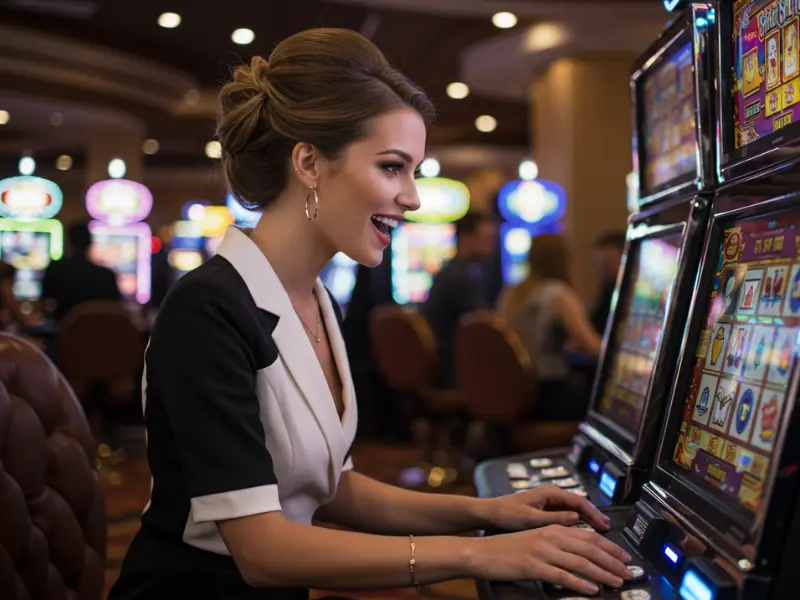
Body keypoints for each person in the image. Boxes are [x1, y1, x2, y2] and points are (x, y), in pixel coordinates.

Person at [108, 29, 632, 600]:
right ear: (308, 162)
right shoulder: (208, 309)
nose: (413, 197)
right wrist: (479, 552)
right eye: (392, 167)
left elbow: (335, 491)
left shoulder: (314, 299)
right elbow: (261, 550)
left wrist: (491, 511)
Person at [498, 234, 602, 420]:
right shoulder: (557, 293)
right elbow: (594, 348)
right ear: (563, 259)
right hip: (548, 394)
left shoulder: (512, 293)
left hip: (513, 393)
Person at [421, 211, 498, 387]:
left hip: (445, 368)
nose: (492, 246)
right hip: (454, 371)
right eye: (486, 238)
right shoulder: (460, 277)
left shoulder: (452, 271)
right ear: (466, 238)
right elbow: (487, 327)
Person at [39, 220, 121, 322]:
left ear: (68, 242)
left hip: (64, 333)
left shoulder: (56, 269)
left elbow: (42, 306)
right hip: (101, 332)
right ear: (90, 244)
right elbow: (117, 309)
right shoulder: (107, 275)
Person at [590, 231, 626, 335]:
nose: (600, 268)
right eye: (598, 262)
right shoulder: (607, 289)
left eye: (607, 262)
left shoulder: (626, 294)